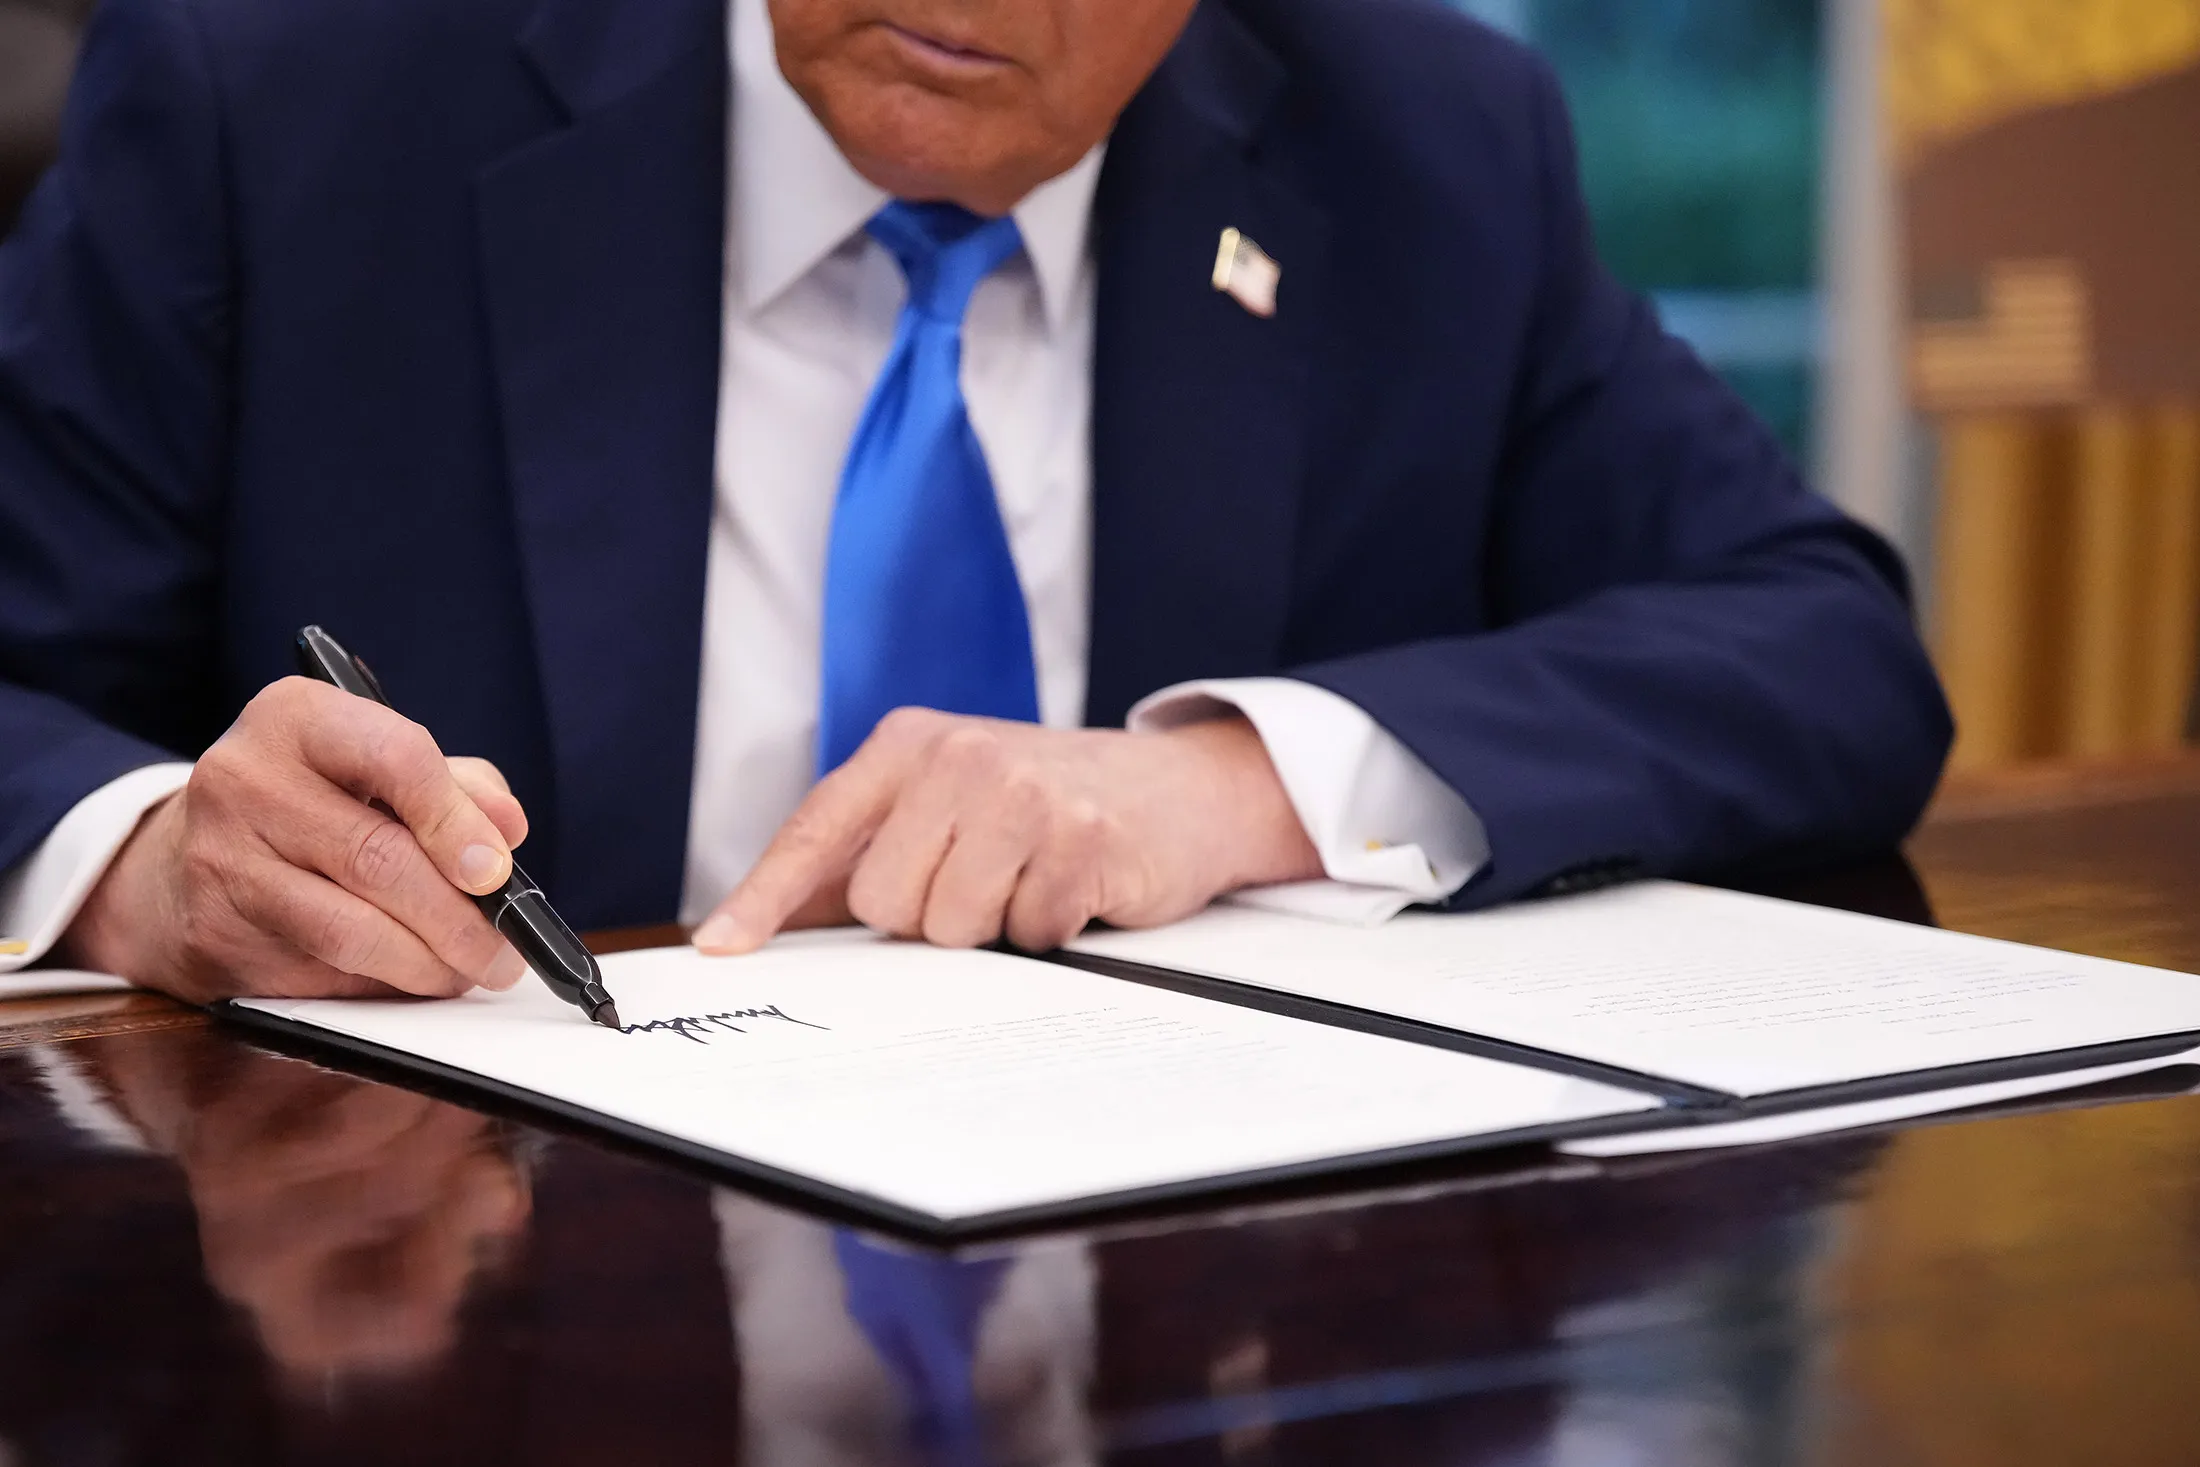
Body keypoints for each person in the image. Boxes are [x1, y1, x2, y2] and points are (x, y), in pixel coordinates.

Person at [0, 0, 1951, 1004]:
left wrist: (1229, 785)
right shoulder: (289, 84)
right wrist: (152, 864)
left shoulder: (1423, 143)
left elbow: (1824, 647)